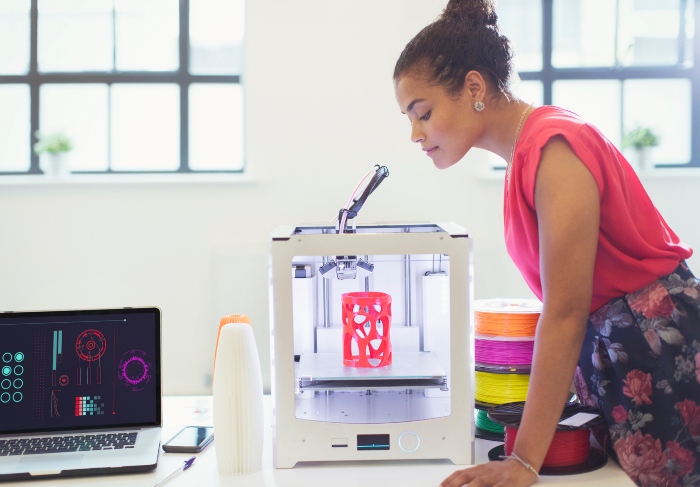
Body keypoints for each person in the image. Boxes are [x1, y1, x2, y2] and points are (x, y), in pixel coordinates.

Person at [393, 1, 700, 486]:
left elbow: (566, 310)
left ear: (474, 87)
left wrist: (524, 462)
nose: (415, 133)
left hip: (657, 351)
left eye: (423, 113)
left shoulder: (553, 147)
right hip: (621, 356)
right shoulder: (524, 153)